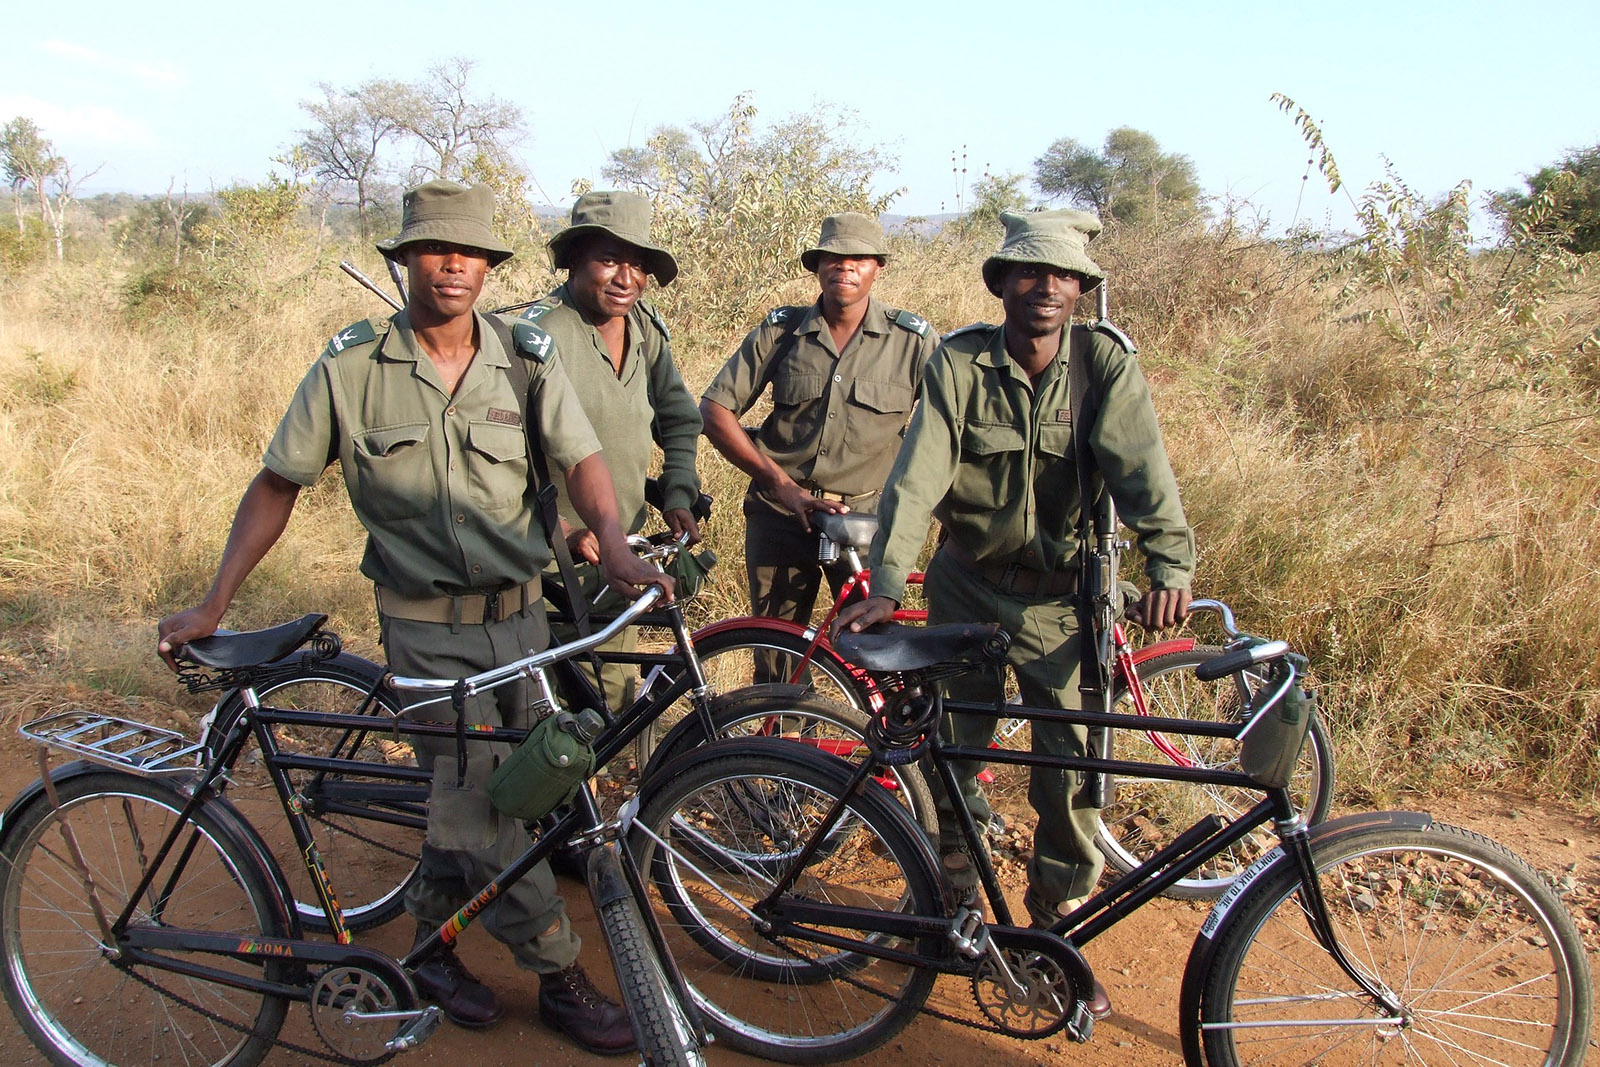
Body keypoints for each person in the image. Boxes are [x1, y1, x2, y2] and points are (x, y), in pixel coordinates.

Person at [156, 180, 668, 1055]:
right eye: (435, 251)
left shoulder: (524, 354)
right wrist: (215, 599)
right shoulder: (352, 369)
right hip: (427, 631)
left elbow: (581, 458)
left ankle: (430, 948)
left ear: (489, 267)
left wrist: (614, 545)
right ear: (404, 262)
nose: (454, 267)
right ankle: (559, 978)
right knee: (484, 812)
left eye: (470, 254)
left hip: (522, 626)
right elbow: (279, 484)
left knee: (522, 787)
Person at [833, 208, 1195, 1020]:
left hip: (1066, 602)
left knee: (1073, 775)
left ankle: (1056, 933)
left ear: (1080, 288)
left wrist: (1169, 559)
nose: (1046, 287)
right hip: (969, 586)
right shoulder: (959, 363)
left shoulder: (1102, 365)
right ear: (1001, 283)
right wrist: (889, 584)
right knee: (952, 755)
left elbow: (1143, 470)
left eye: (1063, 275)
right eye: (1029, 272)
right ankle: (948, 905)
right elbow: (918, 476)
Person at [699, 212, 936, 679]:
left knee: (881, 654)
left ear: (877, 268)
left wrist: (942, 512)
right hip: (783, 517)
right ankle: (783, 745)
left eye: (858, 259)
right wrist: (781, 485)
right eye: (833, 258)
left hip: (868, 521)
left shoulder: (912, 341)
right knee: (776, 651)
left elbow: (944, 434)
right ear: (817, 266)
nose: (844, 268)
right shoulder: (782, 331)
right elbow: (714, 411)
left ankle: (881, 747)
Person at [519, 190, 702, 716]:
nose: (626, 278)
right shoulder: (539, 337)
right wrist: (563, 534)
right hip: (550, 564)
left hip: (623, 551)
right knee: (550, 709)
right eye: (609, 260)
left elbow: (680, 416)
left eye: (639, 264)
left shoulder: (644, 328)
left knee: (613, 695)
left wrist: (678, 487)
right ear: (574, 259)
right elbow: (500, 458)